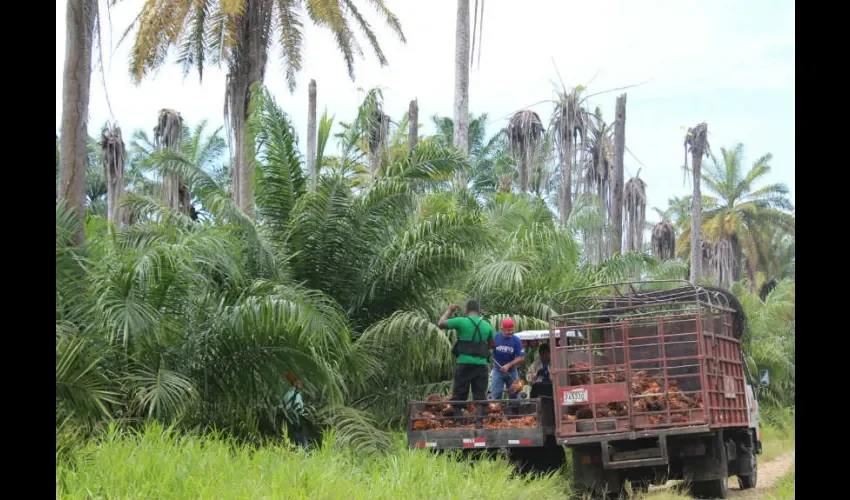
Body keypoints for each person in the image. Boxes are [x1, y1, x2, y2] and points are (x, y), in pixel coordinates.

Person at [438, 300, 495, 403]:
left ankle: (458, 419)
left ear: (466, 310)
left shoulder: (461, 321)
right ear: (479, 311)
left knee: (459, 396)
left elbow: (440, 324)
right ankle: (480, 419)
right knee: (480, 397)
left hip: (464, 364)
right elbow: (492, 344)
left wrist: (449, 310)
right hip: (481, 365)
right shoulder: (487, 325)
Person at [491, 318, 526, 401]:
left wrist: (508, 365)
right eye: (508, 330)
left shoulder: (516, 340)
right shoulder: (495, 337)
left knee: (515, 395)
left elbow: (521, 357)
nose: (510, 332)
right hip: (497, 370)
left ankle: (515, 411)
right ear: (502, 329)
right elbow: (487, 347)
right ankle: (496, 413)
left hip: (512, 371)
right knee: (496, 395)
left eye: (512, 330)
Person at [283, 372, 308, 448]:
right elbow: (299, 409)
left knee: (295, 440)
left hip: (290, 421)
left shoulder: (286, 395)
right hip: (298, 421)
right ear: (295, 383)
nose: (301, 385)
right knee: (303, 442)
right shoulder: (297, 395)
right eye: (299, 383)